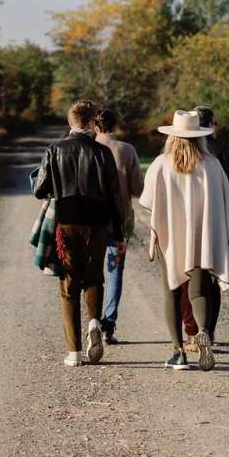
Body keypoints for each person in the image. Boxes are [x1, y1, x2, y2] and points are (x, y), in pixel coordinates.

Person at [140, 110, 229, 371]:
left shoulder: (161, 164)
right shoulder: (211, 165)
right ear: (200, 137)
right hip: (203, 237)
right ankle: (204, 334)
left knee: (172, 292)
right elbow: (227, 203)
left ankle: (178, 354)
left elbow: (148, 200)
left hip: (171, 238)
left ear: (172, 137)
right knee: (199, 291)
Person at [33, 99, 124, 367]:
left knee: (69, 286)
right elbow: (113, 197)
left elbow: (40, 190)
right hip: (97, 225)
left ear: (72, 122)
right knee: (95, 278)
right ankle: (94, 321)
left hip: (67, 225)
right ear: (89, 123)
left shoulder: (54, 150)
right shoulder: (103, 153)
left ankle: (73, 352)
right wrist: (118, 235)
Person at [181, 104, 229, 352]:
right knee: (213, 275)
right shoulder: (223, 151)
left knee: (188, 277)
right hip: (217, 223)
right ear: (211, 125)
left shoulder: (181, 150)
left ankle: (191, 333)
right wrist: (225, 204)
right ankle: (208, 331)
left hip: (187, 223)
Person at [94, 108, 144, 345]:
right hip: (121, 222)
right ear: (115, 126)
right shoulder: (127, 150)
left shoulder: (88, 148)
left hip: (91, 222)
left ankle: (92, 321)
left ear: (95, 127)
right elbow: (137, 189)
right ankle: (109, 325)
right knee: (115, 272)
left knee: (92, 272)